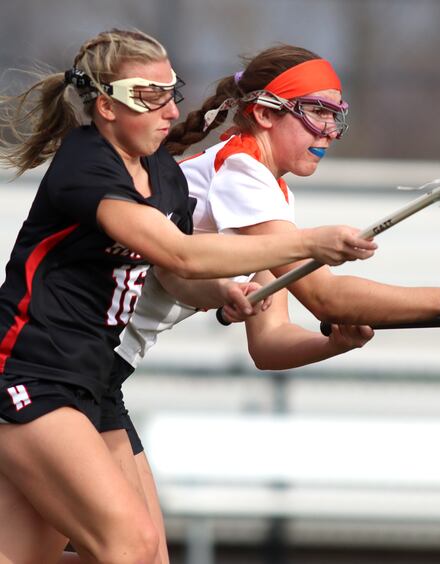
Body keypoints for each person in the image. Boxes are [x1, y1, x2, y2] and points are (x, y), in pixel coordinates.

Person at [91, 43, 440, 563]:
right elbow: (327, 296)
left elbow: (268, 343)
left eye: (337, 117)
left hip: (103, 376)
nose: (330, 132)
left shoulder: (267, 195)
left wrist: (333, 345)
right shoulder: (240, 172)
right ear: (265, 114)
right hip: (76, 364)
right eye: (316, 113)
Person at [0, 29, 377, 564]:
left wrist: (223, 291)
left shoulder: (161, 175)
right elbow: (178, 254)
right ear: (106, 106)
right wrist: (308, 243)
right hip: (29, 372)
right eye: (150, 96)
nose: (172, 111)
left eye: (171, 92)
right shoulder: (86, 167)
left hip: (92, 382)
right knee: (129, 547)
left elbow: (175, 275)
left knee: (129, 556)